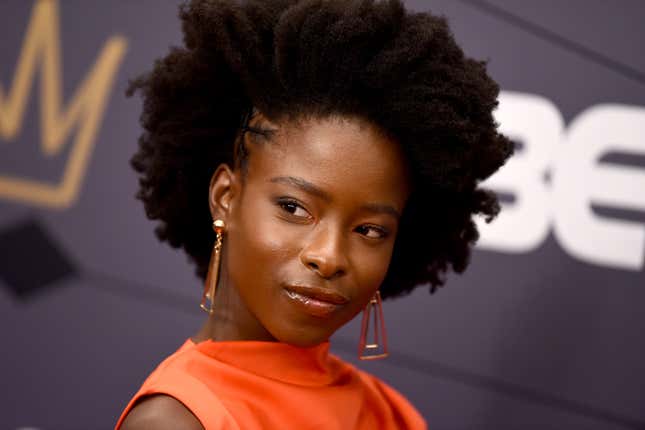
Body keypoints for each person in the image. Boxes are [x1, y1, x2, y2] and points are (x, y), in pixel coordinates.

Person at [115, 0, 513, 428]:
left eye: (370, 230)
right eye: (293, 208)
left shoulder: (387, 414)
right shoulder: (176, 420)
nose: (329, 257)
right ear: (226, 197)